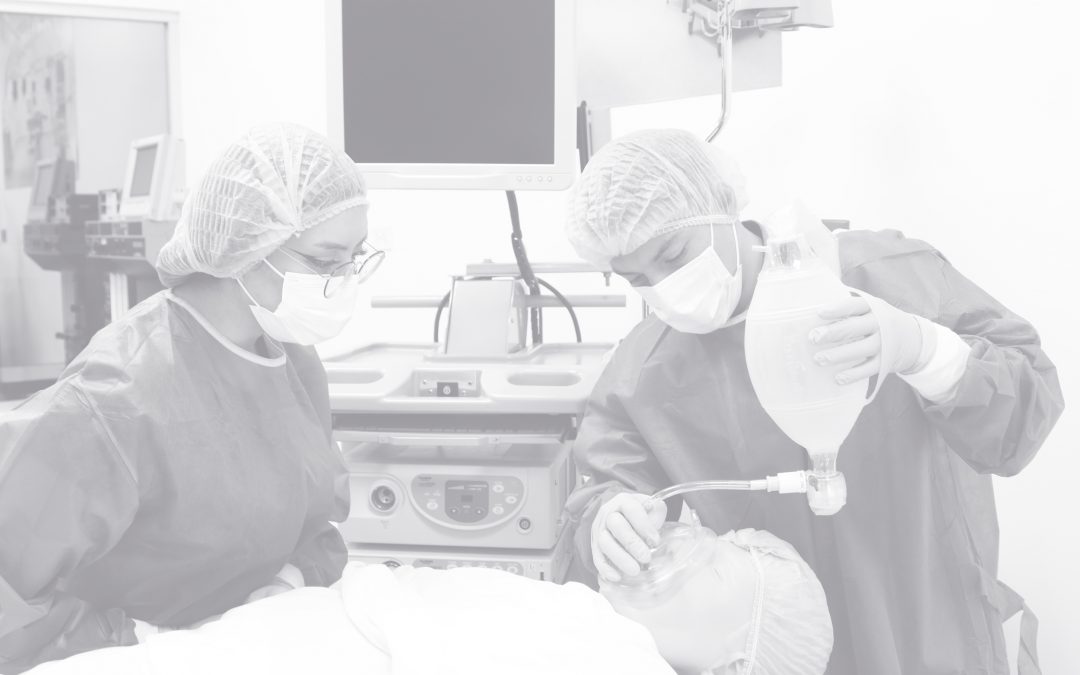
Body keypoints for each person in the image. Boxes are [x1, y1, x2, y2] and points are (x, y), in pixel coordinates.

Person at [563, 129, 1064, 674]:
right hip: (783, 652)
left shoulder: (884, 276)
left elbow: (1022, 415)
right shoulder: (646, 370)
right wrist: (607, 521)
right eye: (638, 278)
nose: (665, 287)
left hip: (929, 631)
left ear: (722, 205)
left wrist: (925, 350)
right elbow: (604, 491)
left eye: (673, 255)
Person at [0, 122, 381, 672]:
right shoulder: (116, 398)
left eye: (356, 257)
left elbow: (315, 525)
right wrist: (140, 642)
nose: (344, 279)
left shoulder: (291, 361)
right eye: (325, 262)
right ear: (246, 247)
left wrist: (285, 583)